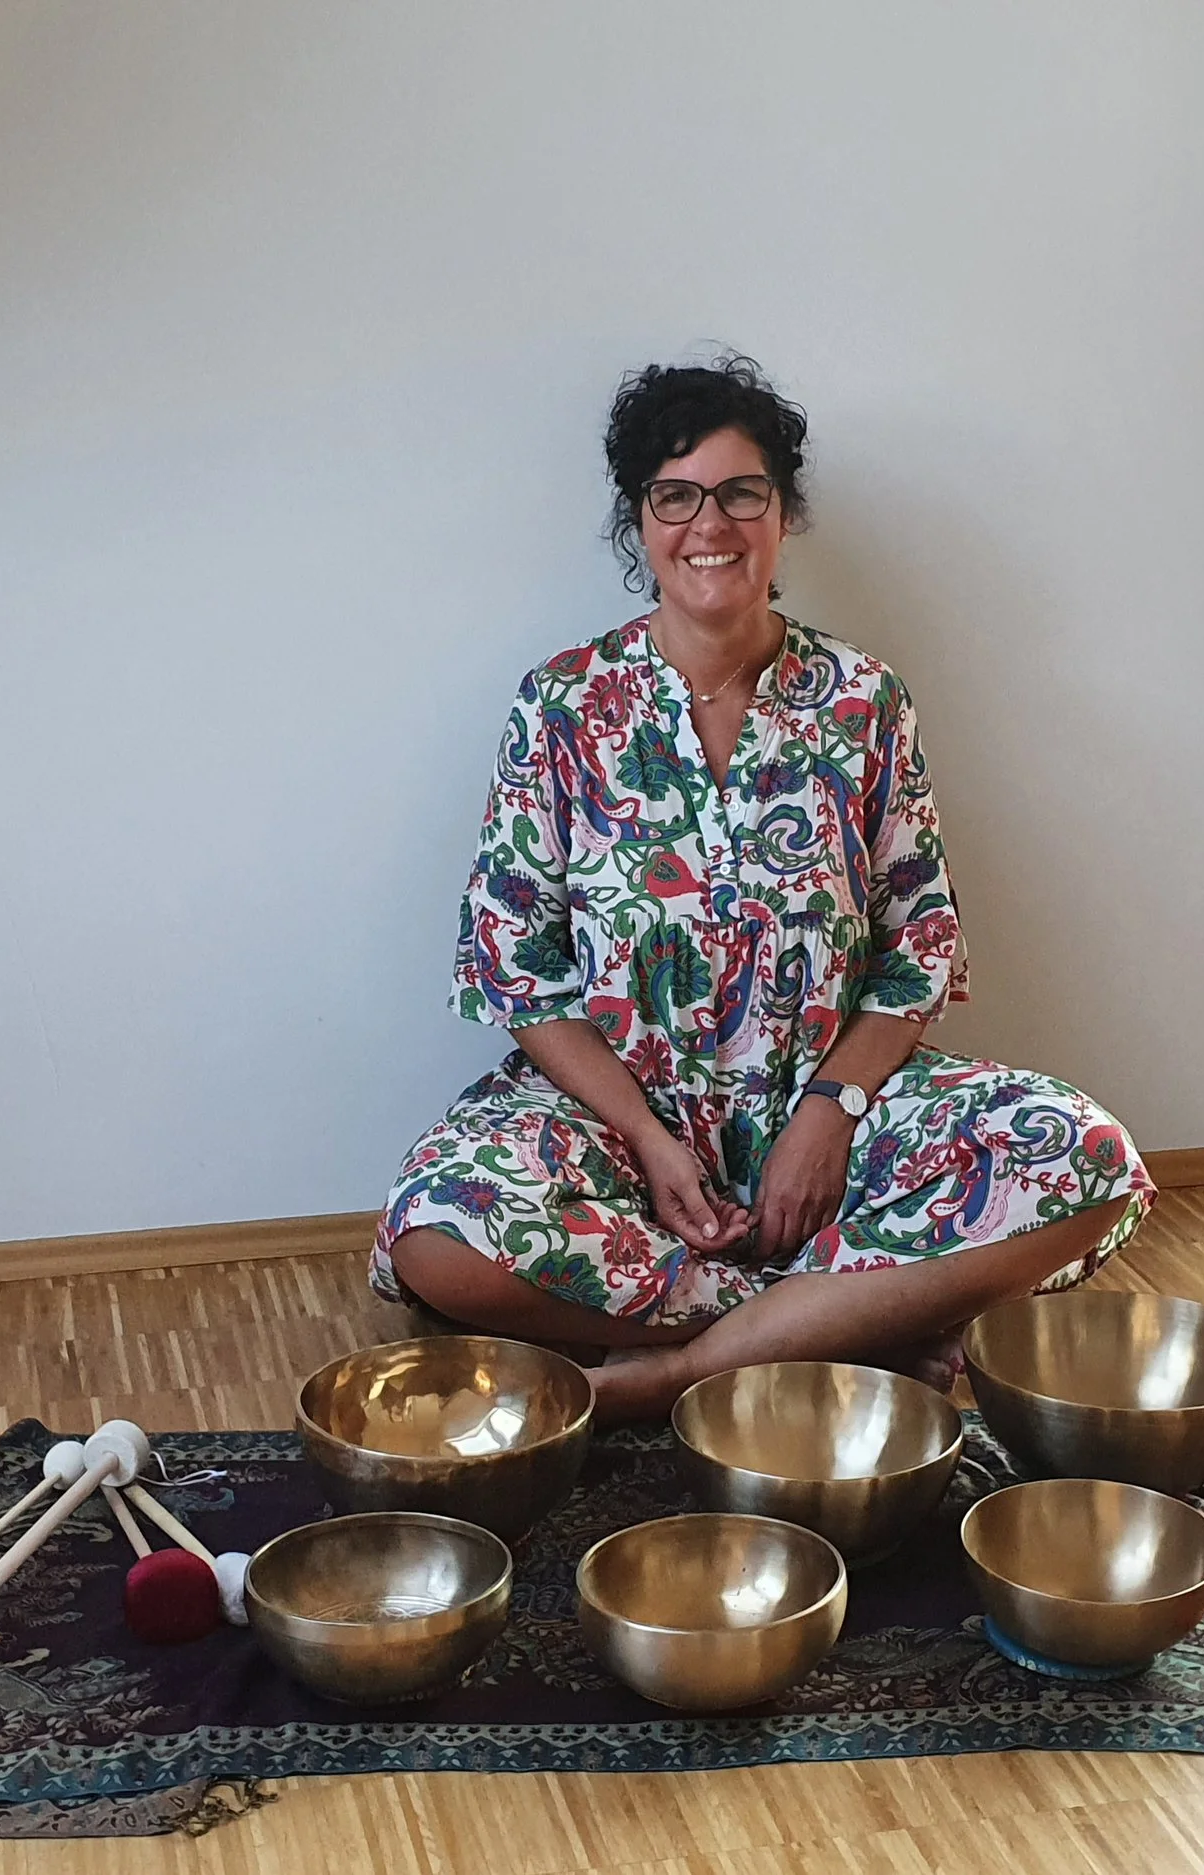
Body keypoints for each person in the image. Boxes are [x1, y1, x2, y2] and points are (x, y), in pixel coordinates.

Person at [373, 355, 1152, 1419]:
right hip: (611, 1121)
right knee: (437, 1233)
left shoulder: (864, 700)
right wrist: (649, 1141)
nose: (711, 525)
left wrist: (828, 1115)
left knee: (1088, 1158)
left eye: (742, 493)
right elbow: (517, 970)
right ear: (638, 521)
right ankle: (847, 1324)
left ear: (782, 515)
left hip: (826, 1106)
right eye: (676, 496)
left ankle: (689, 1369)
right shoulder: (561, 705)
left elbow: (915, 943)